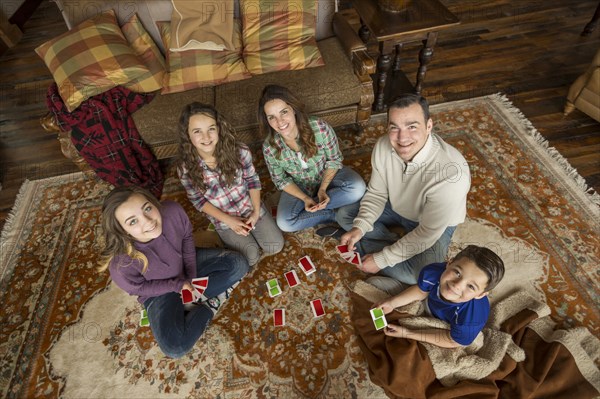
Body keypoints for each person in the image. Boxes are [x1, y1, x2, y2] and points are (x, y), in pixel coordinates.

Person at [99, 186, 249, 358]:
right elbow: (139, 289)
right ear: (122, 231)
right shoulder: (121, 263)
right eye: (133, 221)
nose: (148, 221)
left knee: (239, 264)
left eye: (147, 208)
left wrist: (190, 277)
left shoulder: (172, 211)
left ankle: (191, 301)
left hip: (185, 267)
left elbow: (187, 240)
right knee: (174, 348)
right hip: (159, 292)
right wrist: (176, 285)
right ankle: (206, 306)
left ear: (154, 203)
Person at [338, 93, 471, 285]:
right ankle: (394, 243)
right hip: (397, 205)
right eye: (394, 128)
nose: (402, 138)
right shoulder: (383, 146)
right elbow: (376, 194)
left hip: (433, 224)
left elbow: (427, 233)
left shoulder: (452, 174)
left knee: (417, 276)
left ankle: (388, 248)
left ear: (429, 126)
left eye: (412, 126)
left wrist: (381, 260)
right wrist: (360, 227)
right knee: (345, 215)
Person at [177, 103, 284, 266]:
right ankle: (224, 235)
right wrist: (229, 221)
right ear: (187, 134)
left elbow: (252, 180)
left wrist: (255, 212)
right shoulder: (185, 168)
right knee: (250, 257)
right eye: (197, 131)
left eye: (211, 129)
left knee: (275, 246)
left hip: (249, 206)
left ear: (219, 128)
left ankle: (259, 218)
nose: (206, 137)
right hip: (224, 218)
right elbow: (199, 201)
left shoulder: (240, 151)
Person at [258, 84, 366, 232]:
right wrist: (305, 199)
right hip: (300, 185)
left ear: (293, 110)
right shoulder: (269, 147)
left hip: (327, 175)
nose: (280, 122)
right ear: (267, 120)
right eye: (272, 117)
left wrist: (322, 189)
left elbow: (334, 160)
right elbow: (281, 180)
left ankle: (318, 207)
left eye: (284, 112)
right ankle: (332, 214)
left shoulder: (319, 128)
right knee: (285, 223)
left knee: (358, 188)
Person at [373, 245, 505, 347]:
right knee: (373, 284)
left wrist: (408, 334)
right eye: (457, 273)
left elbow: (453, 341)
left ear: (480, 295)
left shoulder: (472, 318)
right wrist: (392, 303)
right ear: (449, 263)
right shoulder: (434, 271)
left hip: (447, 326)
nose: (457, 285)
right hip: (428, 301)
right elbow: (421, 290)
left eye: (471, 286)